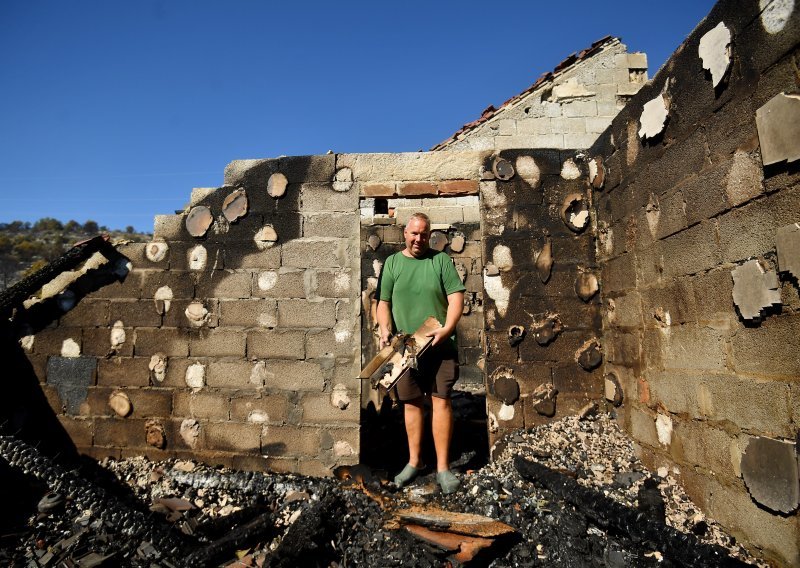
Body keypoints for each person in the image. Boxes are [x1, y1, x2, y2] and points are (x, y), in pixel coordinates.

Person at [377, 212, 466, 494]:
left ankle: (442, 467)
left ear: (430, 235)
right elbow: (383, 302)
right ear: (405, 234)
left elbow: (456, 299)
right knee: (412, 404)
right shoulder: (392, 263)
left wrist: (448, 328)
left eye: (424, 234)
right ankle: (414, 462)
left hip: (440, 345)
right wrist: (383, 329)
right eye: (414, 233)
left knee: (441, 402)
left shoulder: (440, 261)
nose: (419, 238)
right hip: (407, 348)